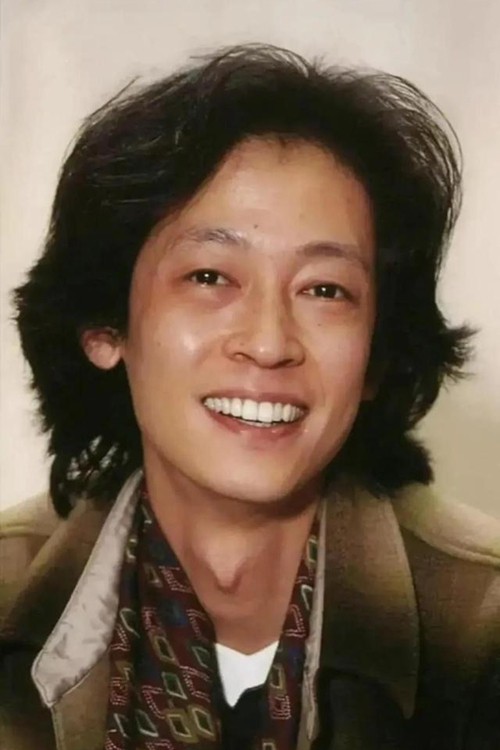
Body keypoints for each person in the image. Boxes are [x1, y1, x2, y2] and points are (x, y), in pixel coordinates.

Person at [1, 43, 499, 750]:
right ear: (106, 326)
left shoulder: (483, 629)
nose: (269, 343)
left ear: (378, 354)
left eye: (325, 290)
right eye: (210, 277)